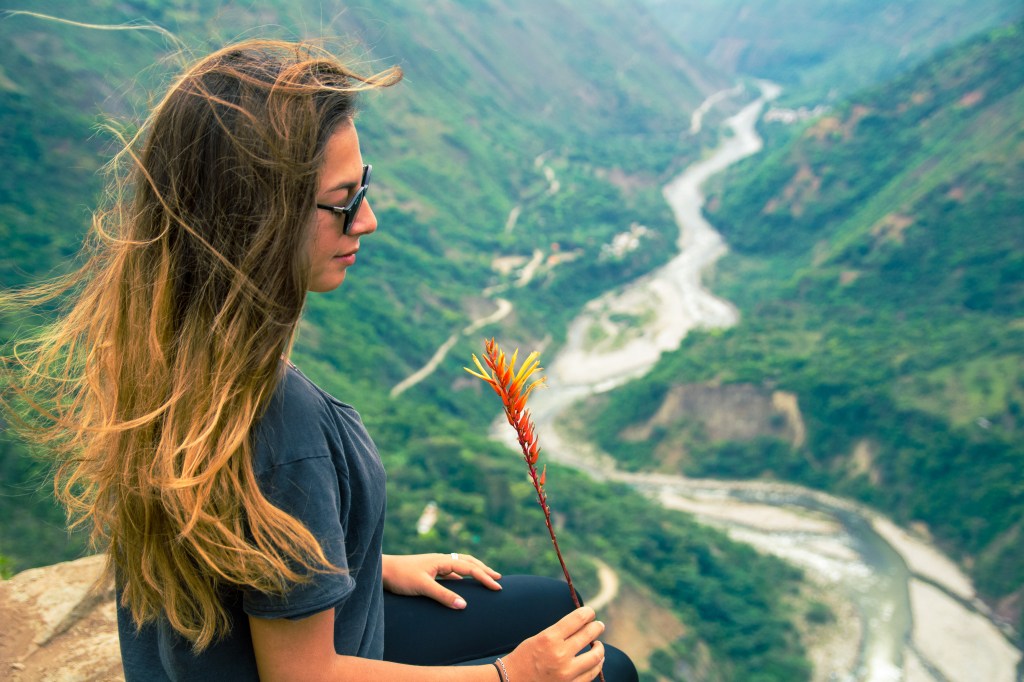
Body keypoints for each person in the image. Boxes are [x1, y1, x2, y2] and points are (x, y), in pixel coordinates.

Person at [1, 38, 638, 681]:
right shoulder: (282, 424)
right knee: (605, 669)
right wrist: (510, 678)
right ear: (258, 216)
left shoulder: (166, 352)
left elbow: (246, 560)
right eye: (343, 201)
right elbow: (304, 677)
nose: (368, 221)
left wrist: (367, 567)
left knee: (558, 608)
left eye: (365, 188)